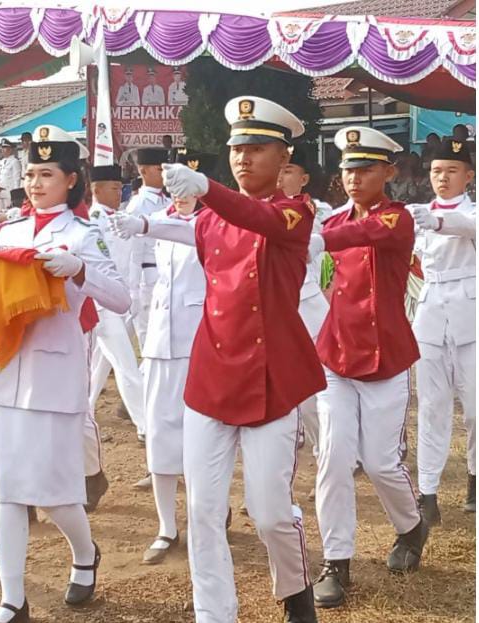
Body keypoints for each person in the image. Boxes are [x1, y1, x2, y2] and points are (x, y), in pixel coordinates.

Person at [161, 96, 324, 623]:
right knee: (204, 512)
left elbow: (261, 219)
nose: (243, 158)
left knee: (271, 513)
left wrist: (208, 188)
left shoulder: (296, 211)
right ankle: (215, 613)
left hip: (271, 374)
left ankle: (295, 590)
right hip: (212, 372)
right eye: (235, 149)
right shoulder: (210, 221)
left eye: (256, 148)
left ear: (284, 159)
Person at [0, 125, 130, 623]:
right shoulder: (9, 233)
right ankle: (13, 599)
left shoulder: (83, 234)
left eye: (46, 174)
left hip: (55, 376)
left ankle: (84, 553)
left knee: (56, 493)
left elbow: (122, 298)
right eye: (31, 173)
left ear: (71, 180)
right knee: (8, 487)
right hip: (6, 370)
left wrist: (79, 269)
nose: (35, 183)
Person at [310, 127, 428, 609]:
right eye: (347, 169)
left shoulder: (396, 220)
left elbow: (352, 234)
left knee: (381, 463)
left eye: (365, 169)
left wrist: (305, 233)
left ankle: (411, 526)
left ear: (389, 172)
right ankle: (336, 561)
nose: (354, 178)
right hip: (336, 353)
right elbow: (323, 275)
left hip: (384, 356)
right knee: (334, 458)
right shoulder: (332, 220)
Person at [110, 151, 216, 565]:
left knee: (202, 437)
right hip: (160, 341)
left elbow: (189, 236)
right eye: (175, 183)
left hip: (198, 343)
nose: (180, 192)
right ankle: (166, 526)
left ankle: (207, 516)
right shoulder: (159, 214)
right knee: (159, 433)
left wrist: (148, 224)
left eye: (188, 182)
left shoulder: (209, 221)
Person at [407, 136, 476, 523]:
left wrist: (437, 222)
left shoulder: (473, 210)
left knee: (476, 409)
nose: (442, 178)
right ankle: (428, 491)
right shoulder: (418, 212)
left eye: (451, 171)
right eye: (436, 171)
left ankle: (475, 475)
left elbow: (470, 228)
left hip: (469, 312)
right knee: (432, 407)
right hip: (431, 311)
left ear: (468, 175)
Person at [277, 145, 331, 461]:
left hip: (310, 305)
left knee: (317, 390)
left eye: (288, 170)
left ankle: (327, 451)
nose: (281, 177)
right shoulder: (259, 210)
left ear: (304, 177)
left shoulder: (321, 212)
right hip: (276, 308)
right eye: (278, 169)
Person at [87, 163, 146, 446]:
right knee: (126, 365)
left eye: (119, 187)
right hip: (103, 304)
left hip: (122, 299)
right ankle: (146, 425)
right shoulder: (93, 221)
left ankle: (83, 411)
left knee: (100, 364)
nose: (118, 192)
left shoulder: (121, 218)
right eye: (113, 188)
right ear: (96, 190)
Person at [125, 148, 172, 349]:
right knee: (148, 339)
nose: (165, 173)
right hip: (147, 275)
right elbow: (132, 251)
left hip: (167, 273)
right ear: (144, 171)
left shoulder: (169, 201)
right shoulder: (137, 205)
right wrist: (133, 289)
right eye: (160, 168)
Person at [0, 139, 23, 211]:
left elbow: (17, 178)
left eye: (5, 148)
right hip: (0, 191)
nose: (3, 150)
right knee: (0, 212)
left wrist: (15, 195)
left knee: (9, 213)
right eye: (2, 148)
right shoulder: (1, 162)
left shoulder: (14, 161)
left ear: (10, 149)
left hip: (9, 192)